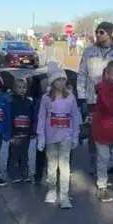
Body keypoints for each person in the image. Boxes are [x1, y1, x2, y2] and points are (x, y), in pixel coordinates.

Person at [77, 21, 113, 174]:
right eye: (97, 32)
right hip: (93, 98)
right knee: (94, 132)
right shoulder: (89, 51)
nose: (98, 35)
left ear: (109, 33)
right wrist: (81, 96)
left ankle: (111, 164)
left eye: (101, 32)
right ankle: (95, 163)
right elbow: (82, 73)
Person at [37, 63, 81, 209]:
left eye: (63, 79)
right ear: (52, 82)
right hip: (50, 137)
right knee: (51, 165)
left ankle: (64, 195)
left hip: (66, 136)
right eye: (58, 80)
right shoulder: (46, 98)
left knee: (64, 166)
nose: (61, 83)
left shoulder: (70, 98)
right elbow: (42, 118)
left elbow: (75, 117)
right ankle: (51, 190)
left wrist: (75, 136)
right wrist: (41, 137)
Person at [91, 61, 113, 202]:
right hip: (102, 128)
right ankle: (102, 185)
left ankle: (101, 170)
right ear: (106, 74)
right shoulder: (102, 90)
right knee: (104, 157)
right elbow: (111, 107)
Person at [7, 77, 34, 184]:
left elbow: (32, 117)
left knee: (24, 154)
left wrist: (32, 131)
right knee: (14, 154)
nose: (22, 90)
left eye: (24, 87)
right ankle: (12, 171)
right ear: (14, 88)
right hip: (15, 133)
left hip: (26, 132)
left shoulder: (29, 102)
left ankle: (24, 171)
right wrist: (10, 133)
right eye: (19, 87)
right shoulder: (11, 101)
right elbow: (9, 117)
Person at [31, 74, 50, 185]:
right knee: (41, 155)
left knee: (49, 156)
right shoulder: (39, 101)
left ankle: (47, 173)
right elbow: (36, 116)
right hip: (42, 132)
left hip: (51, 132)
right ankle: (38, 175)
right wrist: (35, 130)